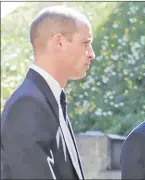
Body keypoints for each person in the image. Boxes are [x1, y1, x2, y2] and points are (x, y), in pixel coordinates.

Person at [1, 5, 95, 179]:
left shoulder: (48, 98)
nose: (91, 54)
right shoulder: (28, 105)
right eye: (86, 43)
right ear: (59, 42)